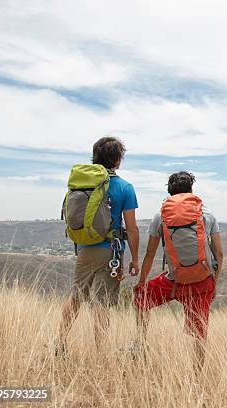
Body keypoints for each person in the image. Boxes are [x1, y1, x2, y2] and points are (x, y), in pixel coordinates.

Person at [56, 137, 140, 355]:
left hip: (84, 247)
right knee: (101, 302)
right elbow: (131, 228)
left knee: (76, 296)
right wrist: (135, 258)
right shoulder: (125, 187)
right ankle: (100, 352)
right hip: (110, 251)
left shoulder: (83, 183)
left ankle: (60, 341)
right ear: (118, 159)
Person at [133, 171, 223, 369]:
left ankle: (140, 344)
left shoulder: (161, 216)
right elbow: (219, 254)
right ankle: (197, 373)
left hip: (173, 281)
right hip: (202, 281)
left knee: (140, 299)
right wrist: (213, 281)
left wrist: (141, 282)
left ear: (169, 193)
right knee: (200, 334)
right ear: (191, 191)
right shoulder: (207, 215)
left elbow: (150, 253)